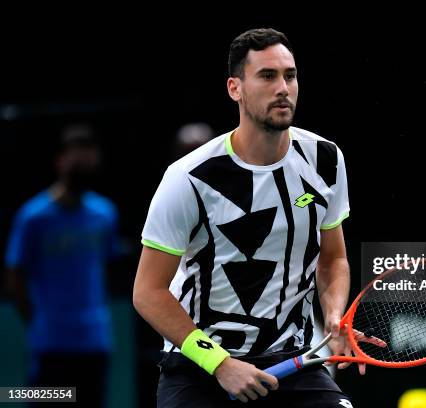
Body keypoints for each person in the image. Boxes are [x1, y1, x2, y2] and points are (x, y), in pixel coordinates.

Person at [133, 28, 367, 407]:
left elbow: (333, 258)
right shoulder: (189, 178)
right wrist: (221, 364)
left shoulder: (325, 159)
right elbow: (148, 292)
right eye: (267, 76)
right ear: (234, 88)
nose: (283, 88)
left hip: (289, 360)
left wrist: (335, 316)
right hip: (198, 367)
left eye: (290, 76)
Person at [4, 123, 119, 407]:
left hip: (94, 343)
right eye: (76, 158)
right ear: (60, 161)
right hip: (50, 345)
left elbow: (108, 267)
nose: (83, 165)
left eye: (88, 158)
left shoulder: (105, 214)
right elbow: (14, 274)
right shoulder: (33, 217)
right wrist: (37, 320)